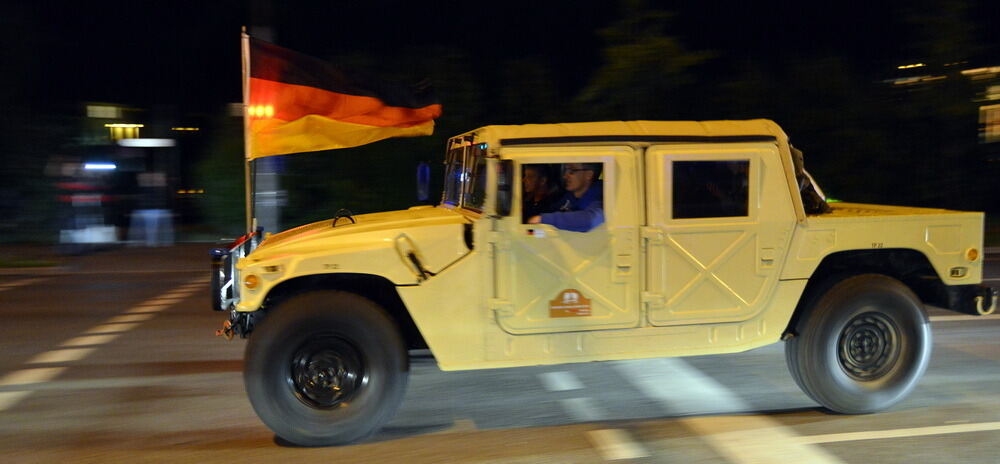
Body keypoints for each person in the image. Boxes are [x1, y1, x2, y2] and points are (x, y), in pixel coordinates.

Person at [527, 162, 604, 232]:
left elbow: (590, 220)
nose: (565, 176)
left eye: (572, 171)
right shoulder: (569, 197)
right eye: (566, 170)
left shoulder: (600, 197)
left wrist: (544, 219)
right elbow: (552, 210)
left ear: (588, 175)